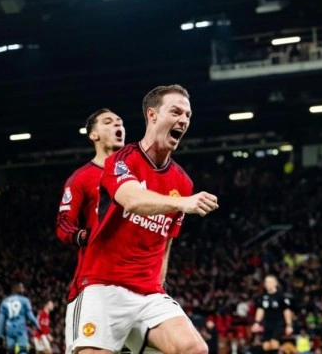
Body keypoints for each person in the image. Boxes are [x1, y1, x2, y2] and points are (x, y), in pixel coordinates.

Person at [68, 84, 220, 354]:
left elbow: (166, 242)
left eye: (188, 115)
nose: (183, 120)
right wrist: (183, 202)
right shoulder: (121, 160)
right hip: (102, 287)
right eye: (175, 112)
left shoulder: (183, 182)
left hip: (148, 294)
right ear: (152, 115)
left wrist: (159, 284)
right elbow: (132, 199)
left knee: (195, 349)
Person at [56, 108, 161, 354]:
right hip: (98, 283)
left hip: (140, 283)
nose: (118, 125)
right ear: (93, 135)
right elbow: (63, 224)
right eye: (108, 122)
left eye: (120, 122)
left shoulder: (139, 175)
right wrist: (85, 235)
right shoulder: (81, 178)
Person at [251, 275, 294, 354]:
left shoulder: (281, 296)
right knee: (266, 346)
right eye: (266, 282)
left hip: (278, 324)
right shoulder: (263, 296)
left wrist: (289, 325)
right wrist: (257, 323)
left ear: (275, 283)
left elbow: (287, 311)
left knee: (274, 343)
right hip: (267, 324)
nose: (267, 284)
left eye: (270, 282)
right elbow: (260, 309)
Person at [0, 283, 41, 354]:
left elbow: (0, 321)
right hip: (20, 329)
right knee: (23, 350)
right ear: (19, 289)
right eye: (22, 287)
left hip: (9, 330)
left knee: (11, 351)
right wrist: (38, 327)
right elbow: (31, 317)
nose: (23, 289)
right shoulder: (25, 300)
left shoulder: (4, 302)